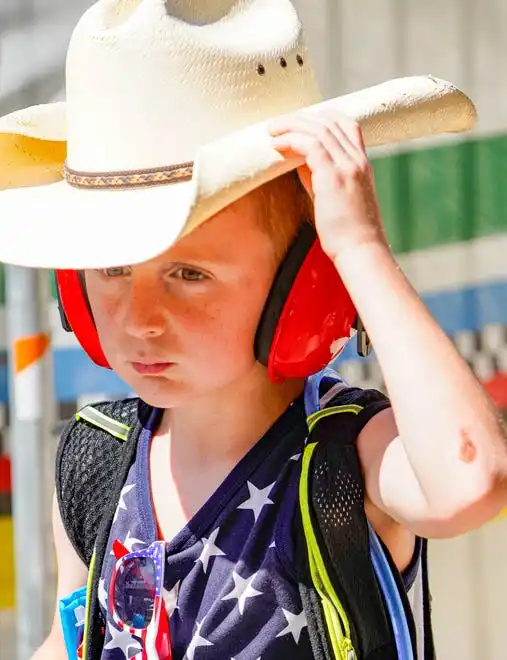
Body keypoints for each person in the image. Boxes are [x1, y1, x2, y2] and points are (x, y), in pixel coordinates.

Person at [0, 0, 505, 658]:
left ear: (306, 284)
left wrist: (357, 249)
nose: (139, 318)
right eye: (112, 269)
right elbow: (72, 639)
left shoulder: (346, 460)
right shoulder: (97, 459)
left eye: (189, 274)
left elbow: (470, 481)